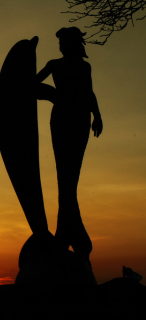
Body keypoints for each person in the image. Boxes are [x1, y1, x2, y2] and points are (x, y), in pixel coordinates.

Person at [36, 27, 103, 264]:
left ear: (74, 43)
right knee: (64, 179)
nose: (61, 45)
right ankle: (70, 234)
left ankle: (64, 233)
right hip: (62, 120)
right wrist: (51, 94)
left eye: (65, 41)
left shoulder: (84, 67)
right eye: (60, 42)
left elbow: (89, 92)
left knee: (69, 179)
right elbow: (31, 85)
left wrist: (97, 115)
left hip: (81, 120)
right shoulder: (54, 64)